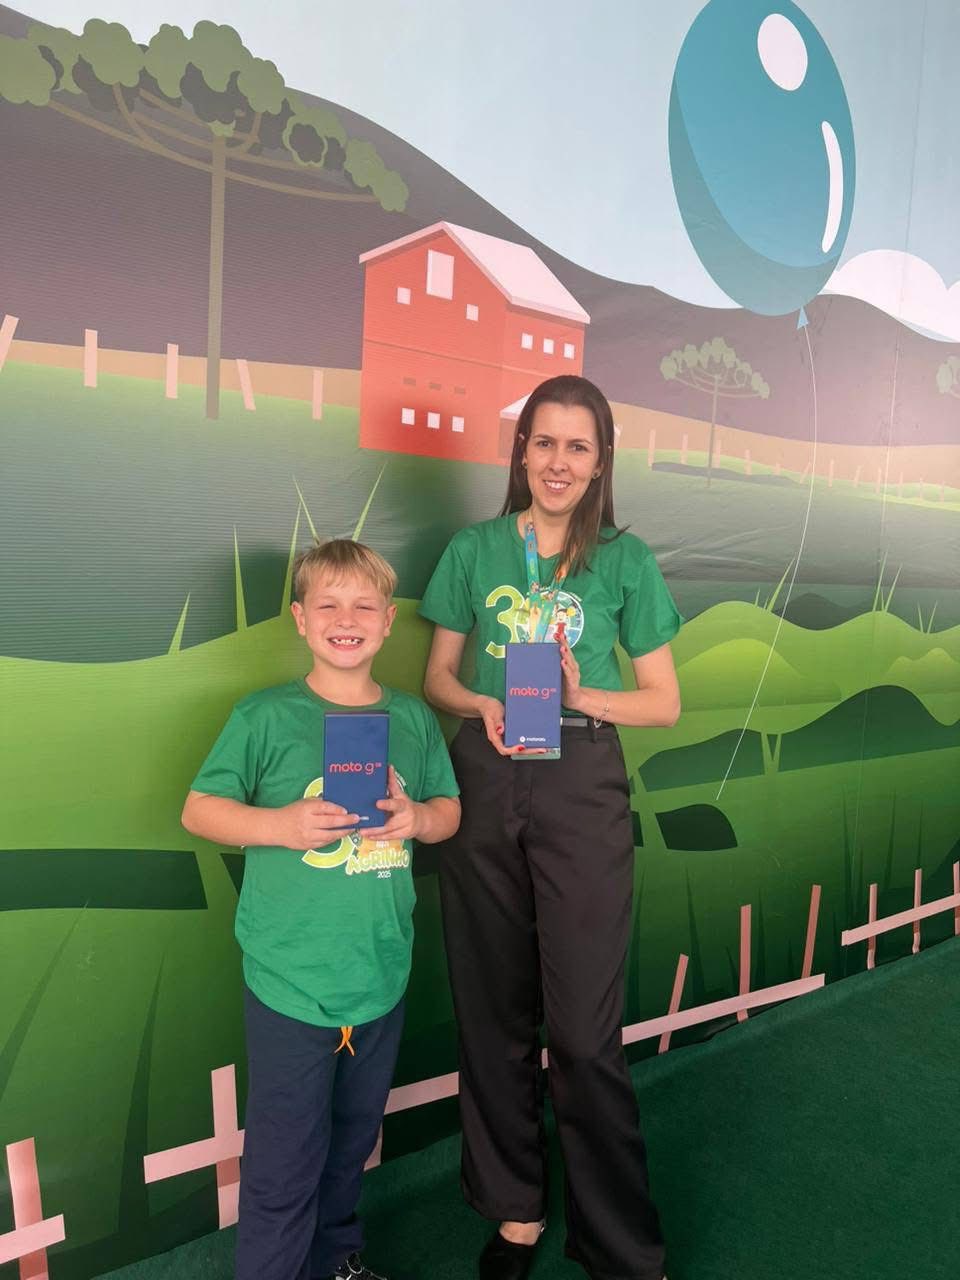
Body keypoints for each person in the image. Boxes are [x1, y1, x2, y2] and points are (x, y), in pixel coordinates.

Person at [419, 375, 681, 1280]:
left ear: (601, 460)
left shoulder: (625, 560)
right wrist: (482, 705)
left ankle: (619, 1247)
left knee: (581, 1034)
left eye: (577, 446)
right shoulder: (474, 548)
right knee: (492, 1008)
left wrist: (582, 693)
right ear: (521, 451)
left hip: (581, 777)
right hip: (486, 772)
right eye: (543, 442)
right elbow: (437, 678)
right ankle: (515, 1210)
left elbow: (664, 702)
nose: (558, 462)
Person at [181, 539, 461, 1280]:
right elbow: (199, 809)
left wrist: (417, 819)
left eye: (365, 605)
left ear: (388, 622)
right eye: (329, 605)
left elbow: (449, 811)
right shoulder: (264, 716)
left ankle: (337, 1261)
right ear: (301, 619)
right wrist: (279, 825)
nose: (347, 619)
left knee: (350, 1145)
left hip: (379, 976)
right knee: (283, 1164)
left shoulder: (412, 719)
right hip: (292, 984)